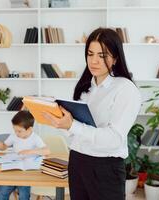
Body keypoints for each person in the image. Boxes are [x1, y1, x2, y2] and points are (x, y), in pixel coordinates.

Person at [42, 28, 141, 200]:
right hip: (77, 161)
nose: (94, 61)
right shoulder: (85, 87)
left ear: (115, 58)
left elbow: (114, 139)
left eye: (102, 55)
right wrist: (61, 122)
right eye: (90, 54)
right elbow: (77, 133)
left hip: (105, 168)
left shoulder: (125, 89)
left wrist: (73, 125)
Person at [0, 110, 50, 200]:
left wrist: (30, 151)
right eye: (15, 130)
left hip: (27, 172)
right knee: (3, 192)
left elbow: (47, 151)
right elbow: (4, 146)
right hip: (13, 169)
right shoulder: (14, 136)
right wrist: (0, 146)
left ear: (29, 129)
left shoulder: (35, 138)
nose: (16, 133)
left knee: (24, 194)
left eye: (19, 131)